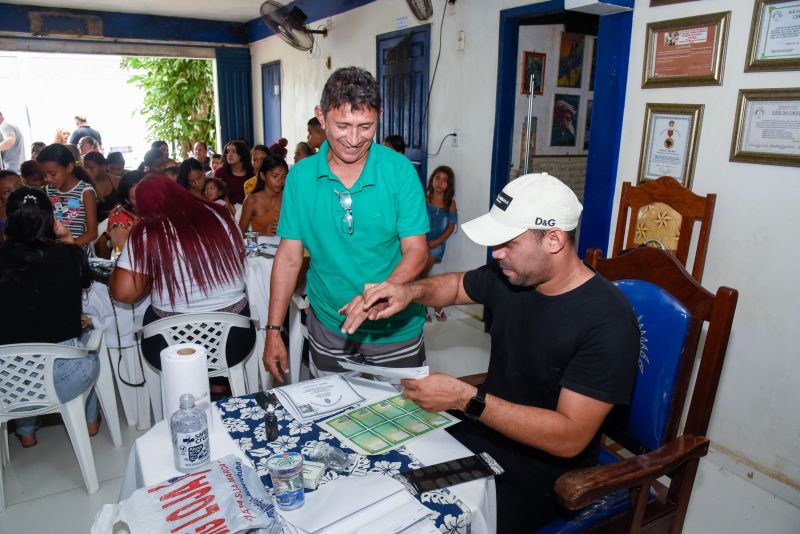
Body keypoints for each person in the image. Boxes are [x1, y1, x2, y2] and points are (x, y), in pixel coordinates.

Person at [353, 173, 641, 532]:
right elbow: (457, 285)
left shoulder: (608, 322)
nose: (496, 253)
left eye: (508, 243)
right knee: (381, 482)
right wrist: (407, 291)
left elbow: (569, 438)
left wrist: (466, 398)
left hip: (542, 471)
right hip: (485, 434)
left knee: (424, 523)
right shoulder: (515, 275)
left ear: (553, 239)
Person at [263, 66, 429, 383]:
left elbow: (417, 251)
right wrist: (273, 329)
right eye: (342, 126)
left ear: (379, 117)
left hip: (395, 328)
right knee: (332, 420)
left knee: (401, 424)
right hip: (329, 325)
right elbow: (288, 257)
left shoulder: (399, 170)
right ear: (321, 117)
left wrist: (375, 296)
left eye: (365, 127)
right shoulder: (299, 176)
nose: (353, 140)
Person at [109, 175, 255, 373]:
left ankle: (190, 389)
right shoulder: (220, 215)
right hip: (234, 337)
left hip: (173, 340)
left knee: (152, 317)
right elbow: (237, 259)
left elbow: (124, 293)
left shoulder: (145, 232)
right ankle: (218, 384)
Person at [0, 187, 101, 447]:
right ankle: (89, 422)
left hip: (7, 381)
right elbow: (84, 281)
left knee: (17, 351)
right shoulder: (69, 255)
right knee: (88, 347)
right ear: (51, 218)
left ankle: (26, 433)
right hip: (65, 376)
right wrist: (67, 236)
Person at [39, 143, 98, 250]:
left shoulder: (85, 191)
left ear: (69, 167)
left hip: (78, 252)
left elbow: (92, 233)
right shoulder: (48, 190)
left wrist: (69, 246)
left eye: (52, 174)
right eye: (44, 175)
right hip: (55, 250)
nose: (48, 179)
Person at [422, 165, 457, 322]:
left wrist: (436, 242)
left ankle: (429, 306)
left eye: (445, 181)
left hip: (437, 245)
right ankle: (430, 307)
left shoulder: (450, 204)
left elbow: (450, 228)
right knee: (422, 276)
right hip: (420, 243)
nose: (440, 183)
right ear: (432, 180)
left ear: (449, 185)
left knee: (423, 276)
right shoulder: (424, 199)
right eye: (437, 178)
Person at [239, 154, 287, 236]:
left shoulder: (287, 197)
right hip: (259, 247)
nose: (280, 181)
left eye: (284, 176)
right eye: (275, 176)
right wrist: (261, 232)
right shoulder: (252, 200)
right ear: (262, 176)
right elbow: (239, 233)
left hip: (284, 245)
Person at [106, 170, 145, 252]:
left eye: (145, 194)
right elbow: (119, 250)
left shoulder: (159, 208)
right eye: (135, 198)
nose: (143, 200)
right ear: (127, 201)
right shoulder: (119, 215)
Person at [83, 151, 121, 222]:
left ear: (103, 166)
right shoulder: (84, 184)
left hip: (115, 223)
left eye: (91, 168)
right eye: (85, 168)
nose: (87, 171)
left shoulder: (116, 181)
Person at [214, 140, 253, 205]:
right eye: (228, 151)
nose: (229, 154)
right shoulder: (220, 173)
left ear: (242, 154)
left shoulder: (251, 173)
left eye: (233, 151)